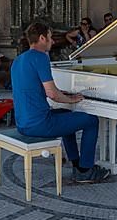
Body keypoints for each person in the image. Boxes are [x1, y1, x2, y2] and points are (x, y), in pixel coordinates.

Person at [11, 21, 110, 183]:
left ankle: (76, 162)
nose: (53, 41)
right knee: (91, 121)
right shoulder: (40, 57)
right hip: (40, 124)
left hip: (22, 123)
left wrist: (61, 94)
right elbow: (52, 94)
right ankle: (85, 171)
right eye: (50, 38)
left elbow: (34, 89)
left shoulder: (18, 60)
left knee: (65, 114)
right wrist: (71, 99)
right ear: (42, 38)